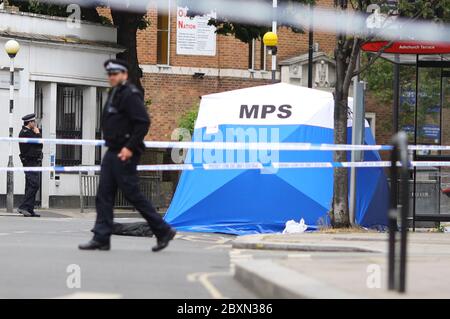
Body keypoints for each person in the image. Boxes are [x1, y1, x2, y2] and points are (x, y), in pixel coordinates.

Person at [79, 59, 176, 252]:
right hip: (113, 151)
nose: (112, 77)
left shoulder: (131, 95)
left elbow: (143, 123)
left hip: (125, 153)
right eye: (110, 74)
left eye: (115, 74)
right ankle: (101, 237)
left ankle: (162, 230)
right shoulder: (115, 93)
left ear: (124, 75)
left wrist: (130, 147)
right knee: (104, 195)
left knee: (133, 195)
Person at [17, 113, 43, 218]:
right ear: (30, 123)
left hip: (33, 162)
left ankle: (29, 209)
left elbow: (39, 145)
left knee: (30, 186)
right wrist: (37, 133)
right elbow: (39, 142)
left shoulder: (29, 132)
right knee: (34, 184)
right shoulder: (25, 133)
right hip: (29, 162)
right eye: (34, 122)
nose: (35, 124)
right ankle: (23, 207)